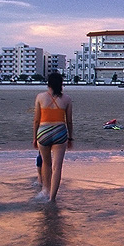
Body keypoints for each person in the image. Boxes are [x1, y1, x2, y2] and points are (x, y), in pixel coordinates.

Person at [33, 72, 73, 202]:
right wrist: (70, 138)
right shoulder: (67, 99)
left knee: (46, 163)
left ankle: (45, 190)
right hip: (60, 132)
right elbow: (69, 121)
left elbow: (36, 120)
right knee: (57, 167)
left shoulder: (40, 97)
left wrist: (35, 137)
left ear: (48, 83)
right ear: (61, 84)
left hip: (43, 132)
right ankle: (52, 198)